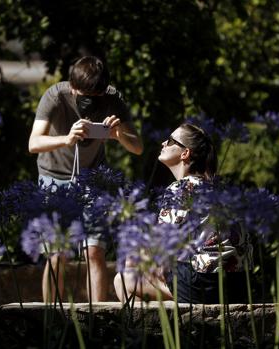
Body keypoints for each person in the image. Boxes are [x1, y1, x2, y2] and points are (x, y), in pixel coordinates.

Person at [28, 56, 143, 303]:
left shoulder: (112, 98)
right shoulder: (55, 96)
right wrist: (67, 139)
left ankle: (98, 320)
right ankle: (50, 318)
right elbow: (33, 143)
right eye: (84, 95)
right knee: (58, 255)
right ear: (72, 86)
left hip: (93, 178)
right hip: (53, 178)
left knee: (95, 252)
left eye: (97, 95)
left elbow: (137, 147)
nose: (90, 101)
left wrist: (118, 134)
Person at [114, 123, 248, 304]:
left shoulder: (181, 189)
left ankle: (146, 331)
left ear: (185, 153)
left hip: (205, 285)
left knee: (123, 277)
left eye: (170, 141)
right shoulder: (221, 189)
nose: (163, 143)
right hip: (238, 285)